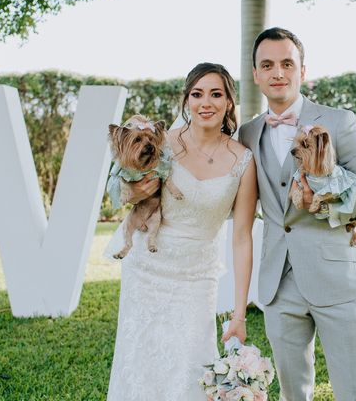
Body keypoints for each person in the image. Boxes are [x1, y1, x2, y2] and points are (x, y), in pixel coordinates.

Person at [239, 27, 356, 401]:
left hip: (336, 278)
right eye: (267, 65)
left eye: (286, 64)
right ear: (257, 75)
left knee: (354, 391)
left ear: (302, 71)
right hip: (278, 284)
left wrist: (334, 207)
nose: (278, 72)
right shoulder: (247, 134)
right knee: (293, 394)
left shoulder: (338, 122)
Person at [106, 63, 257, 400]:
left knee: (190, 368)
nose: (206, 102)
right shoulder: (162, 145)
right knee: (139, 364)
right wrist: (133, 193)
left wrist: (239, 314)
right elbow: (118, 188)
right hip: (147, 269)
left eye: (216, 94)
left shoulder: (243, 160)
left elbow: (243, 237)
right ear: (186, 100)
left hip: (197, 278)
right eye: (197, 94)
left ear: (229, 103)